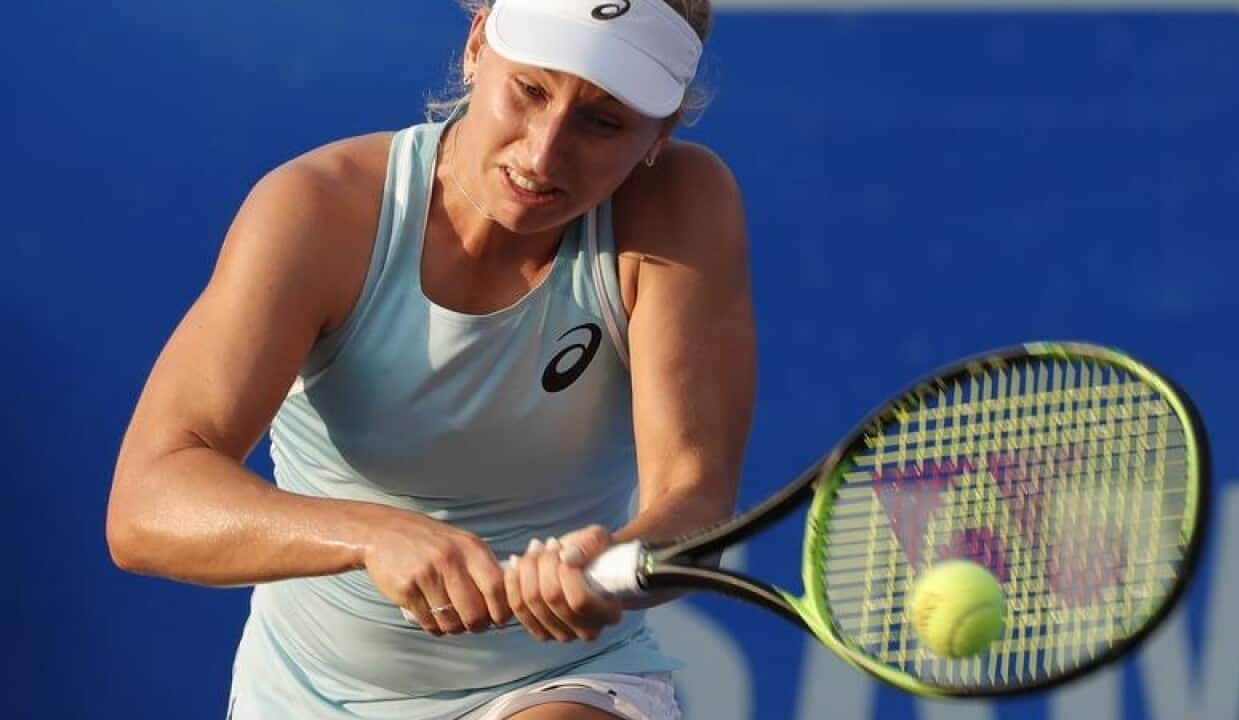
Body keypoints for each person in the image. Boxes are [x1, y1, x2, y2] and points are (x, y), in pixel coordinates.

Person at [106, 0, 755, 717]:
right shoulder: (320, 210)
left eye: (603, 121)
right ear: (479, 45)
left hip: (562, 682)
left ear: (660, 134)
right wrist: (366, 533)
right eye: (531, 91)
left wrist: (606, 571)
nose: (544, 153)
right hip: (307, 693)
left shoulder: (681, 208)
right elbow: (146, 504)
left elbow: (692, 502)